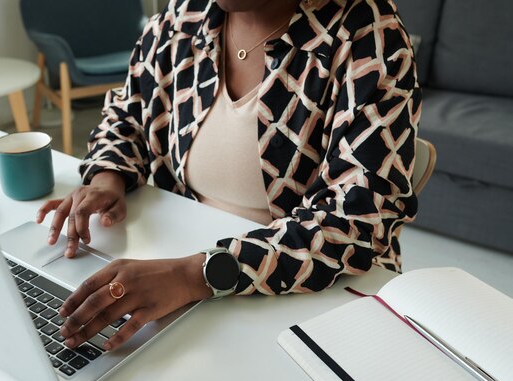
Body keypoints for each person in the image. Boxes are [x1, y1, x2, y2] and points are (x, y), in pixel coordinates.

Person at [36, 0, 421, 352]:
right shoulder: (184, 16)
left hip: (317, 291)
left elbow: (355, 222)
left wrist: (194, 274)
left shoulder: (367, 34)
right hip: (183, 266)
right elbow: (127, 114)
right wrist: (107, 176)